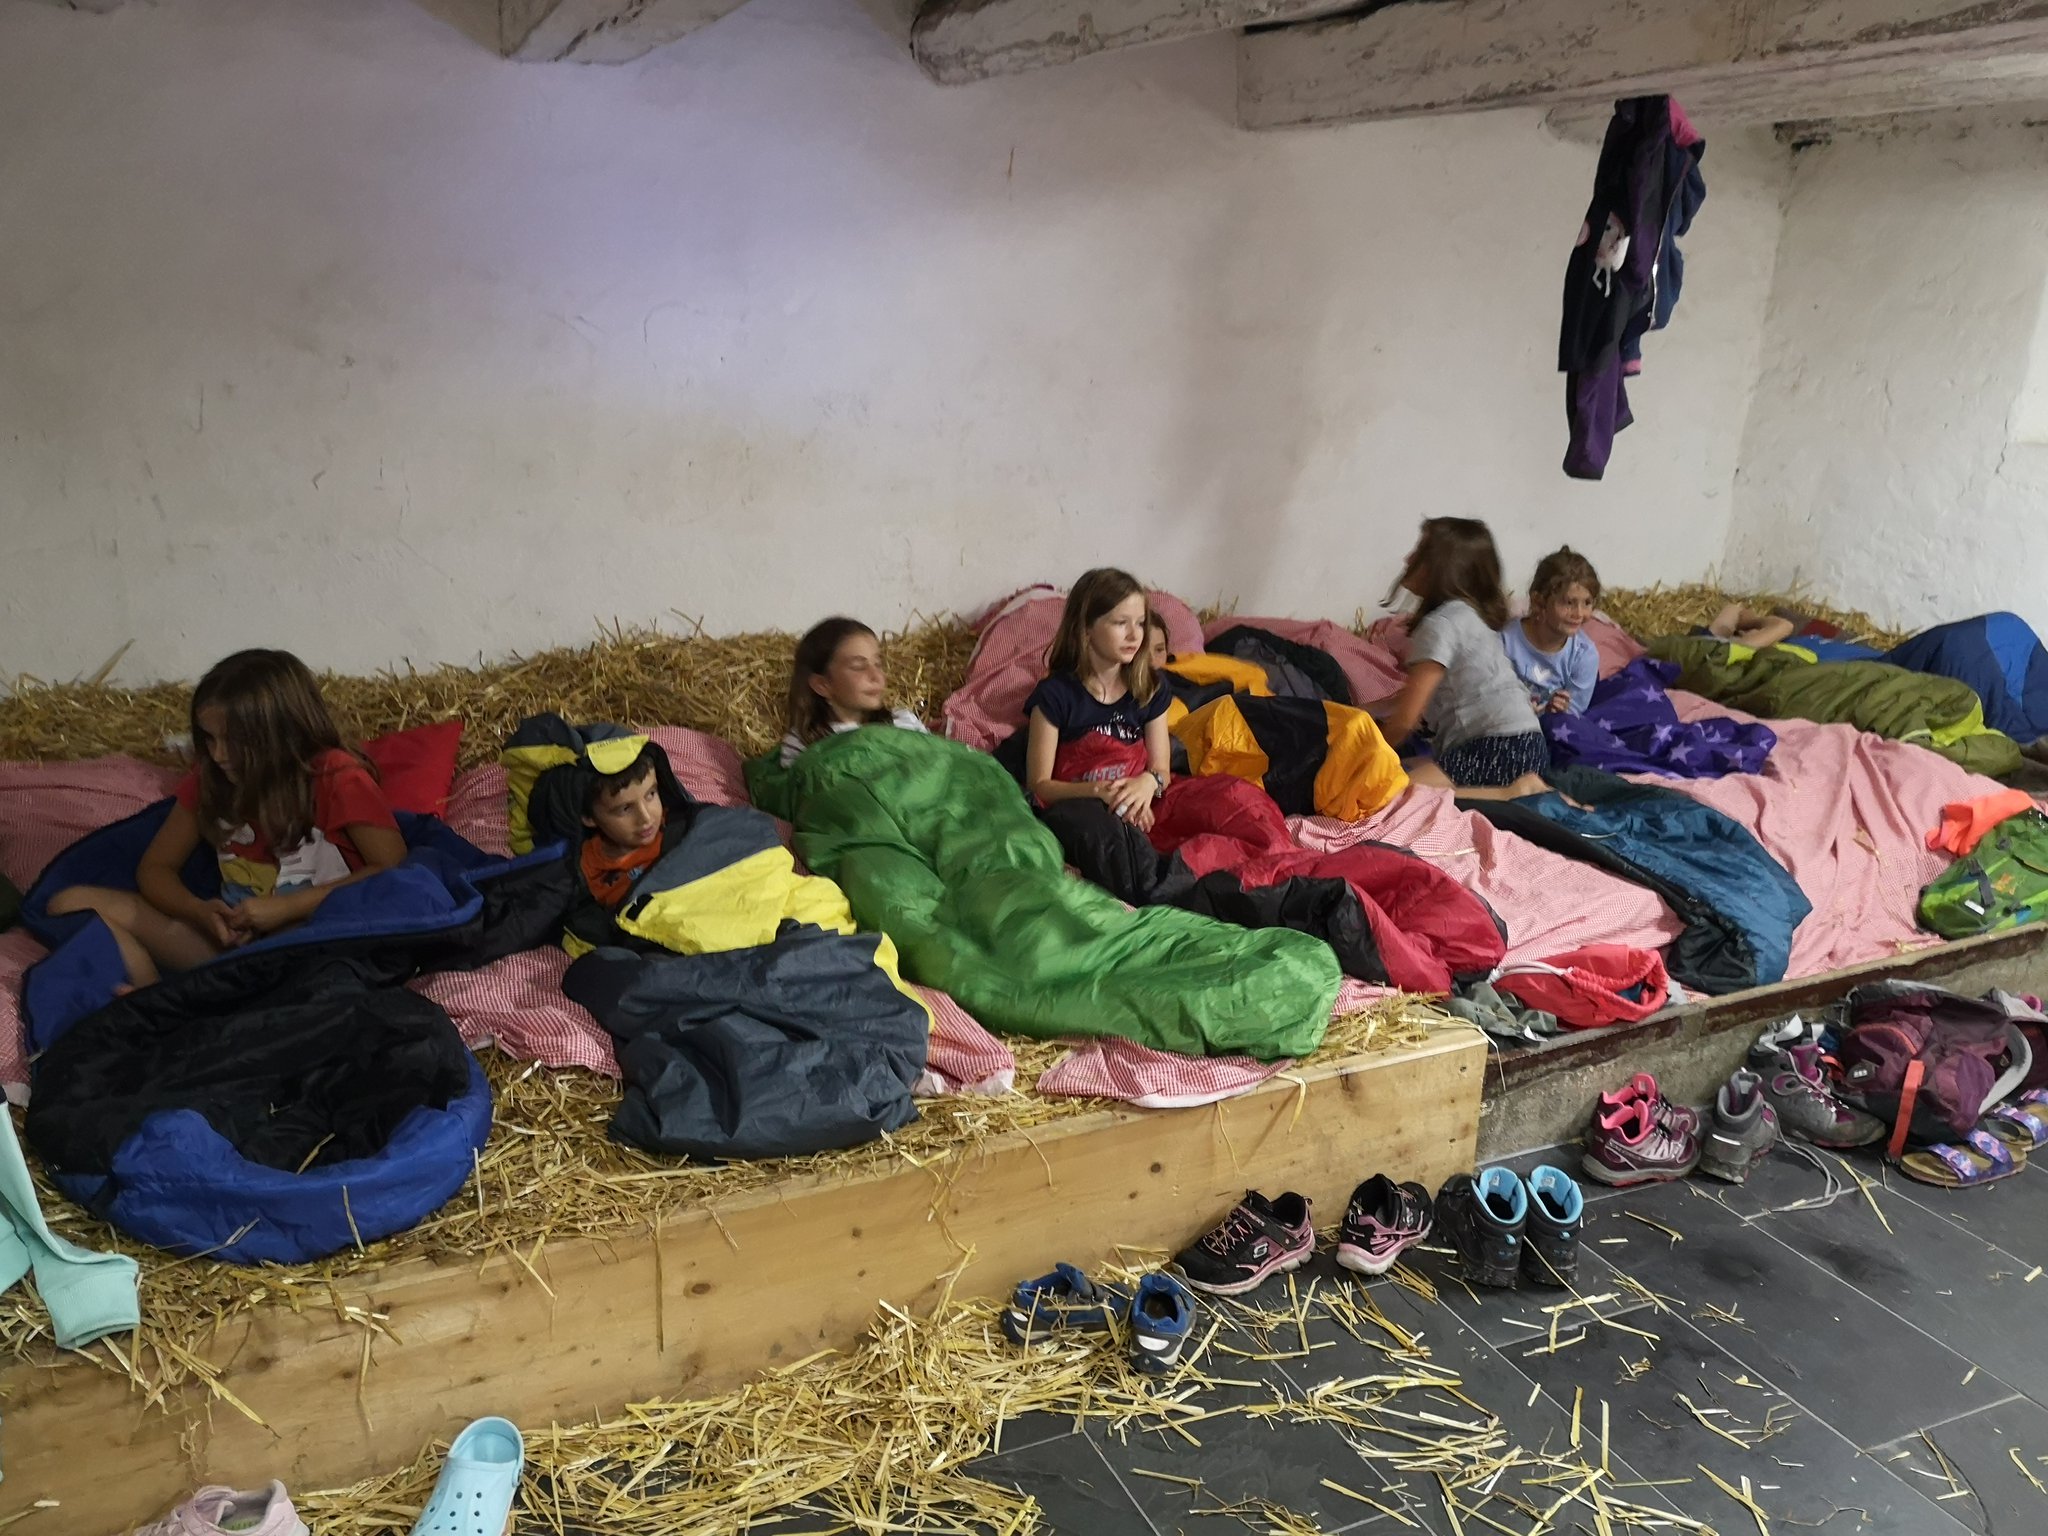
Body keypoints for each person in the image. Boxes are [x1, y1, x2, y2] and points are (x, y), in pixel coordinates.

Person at [48, 649, 405, 987]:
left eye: (234, 740)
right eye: (209, 739)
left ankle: (193, 1003)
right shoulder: (212, 780)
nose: (218, 754)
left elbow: (393, 868)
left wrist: (287, 908)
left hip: (313, 948)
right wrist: (200, 912)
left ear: (281, 732)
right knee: (69, 903)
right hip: (229, 949)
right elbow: (155, 869)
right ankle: (150, 993)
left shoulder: (336, 776)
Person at [1366, 519, 1551, 799]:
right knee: (1409, 767)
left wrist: (1367, 756)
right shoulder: (1465, 615)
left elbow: (1405, 720)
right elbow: (1410, 697)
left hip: (1497, 748)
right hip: (1528, 746)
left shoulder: (1440, 624)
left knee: (1390, 792)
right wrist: (1357, 712)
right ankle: (1520, 791)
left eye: (1419, 552)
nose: (1407, 559)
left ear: (1443, 568)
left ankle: (1510, 795)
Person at [1023, 568, 1171, 834]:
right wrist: (1097, 791)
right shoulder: (1055, 695)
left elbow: (1162, 769)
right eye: (1120, 623)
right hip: (1083, 809)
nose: (1134, 635)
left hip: (1144, 804)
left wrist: (1149, 783)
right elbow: (1039, 785)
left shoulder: (1150, 686)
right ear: (1086, 628)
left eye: (1140, 623)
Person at [778, 618, 929, 767]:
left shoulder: (904, 722)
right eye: (858, 666)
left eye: (878, 664)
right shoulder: (803, 743)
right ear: (822, 685)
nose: (876, 676)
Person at [1504, 547, 1601, 715]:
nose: (1579, 613)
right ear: (1539, 601)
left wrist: (1555, 712)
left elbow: (1574, 714)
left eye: (1587, 603)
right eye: (1569, 603)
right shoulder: (1504, 641)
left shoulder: (1584, 655)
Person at [578, 743, 669, 914]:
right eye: (625, 809)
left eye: (650, 794)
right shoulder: (586, 869)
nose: (646, 818)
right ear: (589, 818)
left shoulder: (678, 825)